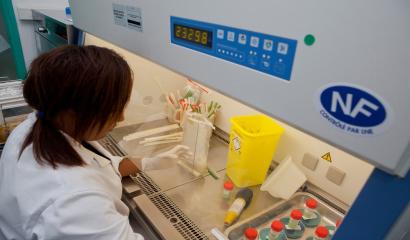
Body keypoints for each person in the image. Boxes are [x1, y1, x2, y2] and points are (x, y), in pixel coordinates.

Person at [0, 45, 190, 239]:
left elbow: (100, 165)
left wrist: (150, 162)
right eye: (113, 108)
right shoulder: (77, 206)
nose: (122, 118)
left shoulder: (36, 124)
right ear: (72, 112)